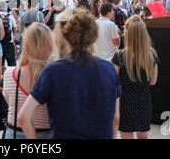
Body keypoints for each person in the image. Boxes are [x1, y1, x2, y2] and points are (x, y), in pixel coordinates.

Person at [18, 9, 121, 139]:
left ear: (65, 36)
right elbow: (115, 119)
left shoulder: (52, 71)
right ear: (94, 36)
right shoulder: (109, 70)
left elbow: (23, 117)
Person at [3, 23, 55, 139]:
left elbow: (10, 103)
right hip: (46, 133)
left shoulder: (10, 74)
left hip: (14, 132)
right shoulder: (53, 76)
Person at [112, 16, 159, 139]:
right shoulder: (152, 54)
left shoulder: (119, 56)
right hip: (144, 100)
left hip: (125, 102)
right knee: (143, 135)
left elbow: (113, 81)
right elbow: (153, 81)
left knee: (126, 134)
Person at [0, 1, 17, 67]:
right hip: (9, 42)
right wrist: (13, 36)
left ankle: (1, 76)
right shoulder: (10, 16)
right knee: (12, 63)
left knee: (0, 64)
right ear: (6, 7)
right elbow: (15, 28)